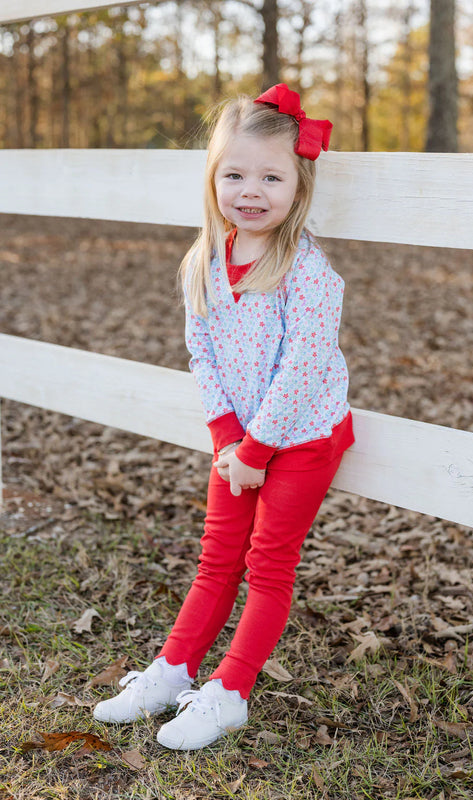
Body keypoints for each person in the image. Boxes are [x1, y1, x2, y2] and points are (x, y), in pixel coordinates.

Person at [93, 83, 355, 751]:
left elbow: (302, 368)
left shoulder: (307, 272)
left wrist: (258, 449)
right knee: (216, 560)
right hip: (237, 441)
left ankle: (230, 692)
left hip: (300, 438)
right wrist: (227, 440)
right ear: (212, 178)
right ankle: (172, 667)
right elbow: (200, 353)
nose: (250, 189)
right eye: (234, 173)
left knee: (267, 563)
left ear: (298, 186)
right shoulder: (204, 263)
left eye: (271, 176)